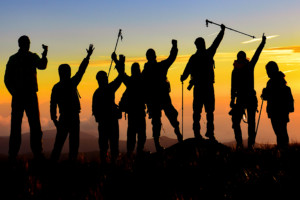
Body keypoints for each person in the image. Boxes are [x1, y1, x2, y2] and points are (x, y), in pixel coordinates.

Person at [4, 35, 48, 160]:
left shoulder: (14, 58)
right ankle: (36, 154)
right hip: (28, 96)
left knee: (19, 126)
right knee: (33, 126)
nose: (28, 44)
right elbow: (42, 65)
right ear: (22, 44)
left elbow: (7, 79)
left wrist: (14, 92)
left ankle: (14, 155)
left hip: (21, 96)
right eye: (27, 42)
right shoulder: (30, 57)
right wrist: (44, 55)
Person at [181, 24, 225, 141]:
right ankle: (210, 133)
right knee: (209, 112)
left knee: (197, 112)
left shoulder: (193, 58)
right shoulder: (209, 53)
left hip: (199, 88)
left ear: (196, 45)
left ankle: (197, 134)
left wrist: (183, 78)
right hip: (208, 87)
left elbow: (185, 73)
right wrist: (222, 31)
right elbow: (217, 42)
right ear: (203, 44)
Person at [50, 44, 94, 161]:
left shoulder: (56, 87)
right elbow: (81, 71)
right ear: (68, 73)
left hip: (63, 118)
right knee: (73, 145)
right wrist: (88, 56)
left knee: (58, 145)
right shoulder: (72, 83)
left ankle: (52, 166)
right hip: (73, 117)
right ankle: (72, 166)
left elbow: (52, 104)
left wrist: (55, 120)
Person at [142, 40, 183, 152]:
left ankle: (158, 144)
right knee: (171, 116)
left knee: (157, 122)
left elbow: (142, 88)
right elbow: (172, 57)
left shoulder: (145, 72)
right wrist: (174, 46)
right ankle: (178, 135)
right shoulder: (160, 66)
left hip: (153, 100)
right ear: (155, 56)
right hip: (162, 98)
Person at [229, 34, 266, 150]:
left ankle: (242, 144)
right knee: (250, 123)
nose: (241, 58)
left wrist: (232, 99)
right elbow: (256, 55)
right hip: (248, 98)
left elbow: (233, 87)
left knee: (237, 122)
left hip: (243, 98)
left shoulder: (236, 70)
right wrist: (263, 43)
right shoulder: (248, 67)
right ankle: (249, 144)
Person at [92, 52, 124, 164]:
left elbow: (95, 111)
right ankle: (113, 164)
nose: (106, 79)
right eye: (105, 77)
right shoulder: (110, 88)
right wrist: (117, 61)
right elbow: (121, 76)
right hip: (112, 121)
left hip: (103, 123)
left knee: (104, 146)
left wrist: (117, 61)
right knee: (113, 144)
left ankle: (105, 164)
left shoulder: (97, 93)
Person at [261, 61, 294, 149]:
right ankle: (284, 149)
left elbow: (268, 97)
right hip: (283, 110)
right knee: (282, 130)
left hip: (275, 111)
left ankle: (282, 149)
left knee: (279, 131)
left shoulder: (271, 82)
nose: (267, 72)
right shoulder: (281, 79)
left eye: (267, 70)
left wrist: (264, 93)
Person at [120, 62, 147, 156]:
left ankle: (130, 154)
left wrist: (118, 62)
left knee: (132, 135)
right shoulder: (142, 80)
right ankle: (138, 152)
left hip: (132, 113)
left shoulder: (130, 82)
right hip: (139, 112)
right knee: (141, 135)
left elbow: (122, 74)